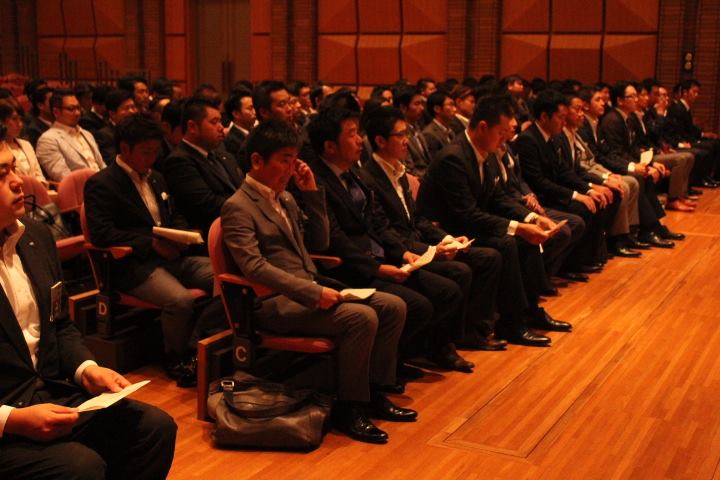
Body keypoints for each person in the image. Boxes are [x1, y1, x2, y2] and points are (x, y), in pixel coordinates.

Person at [221, 119, 413, 444]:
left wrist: (310, 193)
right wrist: (312, 292)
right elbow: (254, 267)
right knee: (361, 317)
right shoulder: (237, 206)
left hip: (310, 287)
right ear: (257, 160)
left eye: (294, 160)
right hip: (275, 303)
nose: (291, 169)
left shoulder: (285, 198)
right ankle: (349, 407)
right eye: (285, 160)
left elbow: (319, 243)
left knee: (393, 305)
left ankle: (375, 391)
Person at [0, 144, 177, 479]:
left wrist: (86, 369)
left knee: (154, 428)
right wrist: (11, 420)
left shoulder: (35, 236)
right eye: (1, 174)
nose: (17, 181)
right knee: (80, 467)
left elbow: (60, 326)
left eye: (13, 168)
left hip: (50, 393)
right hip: (7, 413)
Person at [417, 94, 569, 347]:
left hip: (470, 224)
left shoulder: (483, 152)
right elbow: (465, 214)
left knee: (524, 240)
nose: (505, 138)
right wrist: (518, 228)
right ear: (482, 127)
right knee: (508, 242)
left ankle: (529, 311)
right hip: (447, 232)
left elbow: (497, 197)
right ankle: (509, 324)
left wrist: (532, 217)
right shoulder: (454, 157)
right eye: (501, 132)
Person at [84, 112, 214, 387]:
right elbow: (102, 233)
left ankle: (196, 347)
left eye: (156, 151)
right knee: (180, 300)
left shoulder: (156, 178)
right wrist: (150, 243)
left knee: (224, 281)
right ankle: (175, 357)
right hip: (134, 265)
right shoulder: (102, 183)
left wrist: (182, 235)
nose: (153, 158)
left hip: (172, 256)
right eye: (146, 152)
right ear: (124, 148)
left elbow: (174, 213)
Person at [164, 97, 243, 238]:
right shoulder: (179, 161)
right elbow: (207, 204)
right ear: (192, 127)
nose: (221, 128)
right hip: (212, 236)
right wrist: (248, 205)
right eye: (214, 122)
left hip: (240, 226)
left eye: (220, 121)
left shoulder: (225, 156)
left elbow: (243, 189)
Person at [36, 90, 105, 182]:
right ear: (56, 112)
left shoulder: (87, 134)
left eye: (78, 108)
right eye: (71, 109)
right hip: (81, 187)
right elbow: (63, 176)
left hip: (102, 183)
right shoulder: (48, 139)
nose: (77, 113)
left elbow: (102, 165)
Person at [0, 99, 47, 186]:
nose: (20, 124)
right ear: (2, 121)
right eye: (14, 119)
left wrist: (40, 187)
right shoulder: (1, 149)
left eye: (20, 119)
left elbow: (39, 175)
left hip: (37, 190)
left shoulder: (26, 144)